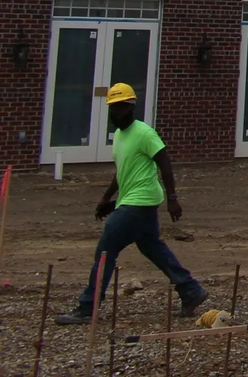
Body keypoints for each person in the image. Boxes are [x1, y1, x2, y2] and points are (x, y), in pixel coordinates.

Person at [56, 83, 208, 325]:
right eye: (113, 108)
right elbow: (123, 170)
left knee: (106, 250)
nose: (117, 113)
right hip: (132, 202)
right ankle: (191, 291)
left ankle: (87, 307)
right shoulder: (118, 135)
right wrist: (107, 198)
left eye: (121, 107)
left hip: (140, 202)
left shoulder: (145, 133)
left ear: (131, 107)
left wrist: (173, 199)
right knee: (153, 248)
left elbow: (165, 164)